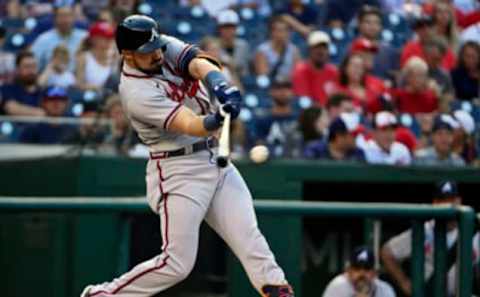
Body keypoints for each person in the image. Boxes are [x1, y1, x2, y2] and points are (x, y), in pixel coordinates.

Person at [80, 14, 294, 297]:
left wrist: (220, 84)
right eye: (147, 52)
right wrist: (217, 118)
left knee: (249, 236)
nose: (156, 54)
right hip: (178, 170)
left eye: (156, 46)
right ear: (127, 55)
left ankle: (277, 289)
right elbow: (191, 124)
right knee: (177, 263)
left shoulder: (158, 46)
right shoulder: (136, 92)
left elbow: (196, 62)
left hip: (214, 158)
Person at [381, 180, 480, 297]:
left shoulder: (472, 230)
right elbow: (388, 252)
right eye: (442, 200)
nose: (447, 205)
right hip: (430, 293)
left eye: (451, 200)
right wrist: (405, 284)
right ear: (435, 202)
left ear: (459, 201)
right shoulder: (424, 229)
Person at [252, 79, 301, 158]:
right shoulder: (262, 120)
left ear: (292, 92)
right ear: (271, 92)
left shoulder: (299, 119)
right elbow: (259, 146)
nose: (283, 92)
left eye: (287, 88)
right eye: (278, 88)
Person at [30, 5, 88, 71]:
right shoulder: (43, 39)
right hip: (51, 79)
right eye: (61, 16)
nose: (65, 20)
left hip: (81, 79)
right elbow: (32, 64)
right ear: (54, 19)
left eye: (68, 16)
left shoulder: (85, 37)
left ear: (74, 18)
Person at [323, 246, 396, 297]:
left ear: (374, 273)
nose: (362, 273)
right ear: (348, 271)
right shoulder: (337, 287)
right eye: (357, 269)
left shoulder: (385, 290)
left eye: (367, 269)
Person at [292, 31, 338, 106]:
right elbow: (304, 101)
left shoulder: (333, 71)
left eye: (324, 48)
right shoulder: (301, 70)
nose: (321, 51)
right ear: (309, 50)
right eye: (317, 47)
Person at [356, 5, 400, 80]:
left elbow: (396, 76)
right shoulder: (350, 48)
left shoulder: (390, 51)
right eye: (368, 22)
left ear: (381, 26)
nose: (372, 26)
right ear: (359, 24)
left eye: (376, 22)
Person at [254, 16, 301, 82]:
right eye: (279, 30)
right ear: (272, 32)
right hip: (271, 85)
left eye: (285, 30)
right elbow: (263, 75)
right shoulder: (263, 50)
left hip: (289, 85)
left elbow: (298, 72)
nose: (282, 34)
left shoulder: (294, 50)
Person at [75, 21, 118, 91]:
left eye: (111, 37)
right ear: (94, 39)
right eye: (105, 37)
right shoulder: (84, 58)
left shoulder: (114, 57)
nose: (109, 40)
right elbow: (79, 85)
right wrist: (99, 88)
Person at [2, 51, 44, 116]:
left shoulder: (43, 92)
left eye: (34, 66)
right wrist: (41, 113)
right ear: (18, 69)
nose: (31, 70)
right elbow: (11, 108)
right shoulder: (7, 89)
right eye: (27, 67)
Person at [215, 10, 250, 78]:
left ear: (236, 28)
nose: (228, 30)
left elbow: (244, 68)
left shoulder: (243, 45)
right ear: (219, 28)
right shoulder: (214, 46)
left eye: (231, 27)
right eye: (225, 27)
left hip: (242, 80)